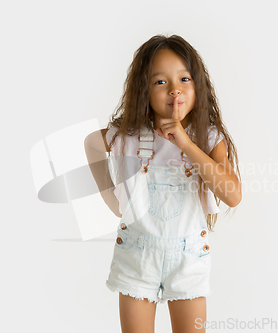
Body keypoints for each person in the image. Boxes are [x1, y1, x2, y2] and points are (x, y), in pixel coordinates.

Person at [84, 34, 242, 333]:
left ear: (199, 85)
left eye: (184, 79)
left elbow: (233, 195)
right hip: (137, 255)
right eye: (160, 82)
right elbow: (92, 143)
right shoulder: (129, 134)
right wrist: (109, 195)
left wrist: (185, 142)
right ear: (143, 89)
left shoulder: (207, 138)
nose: (174, 90)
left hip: (189, 258)